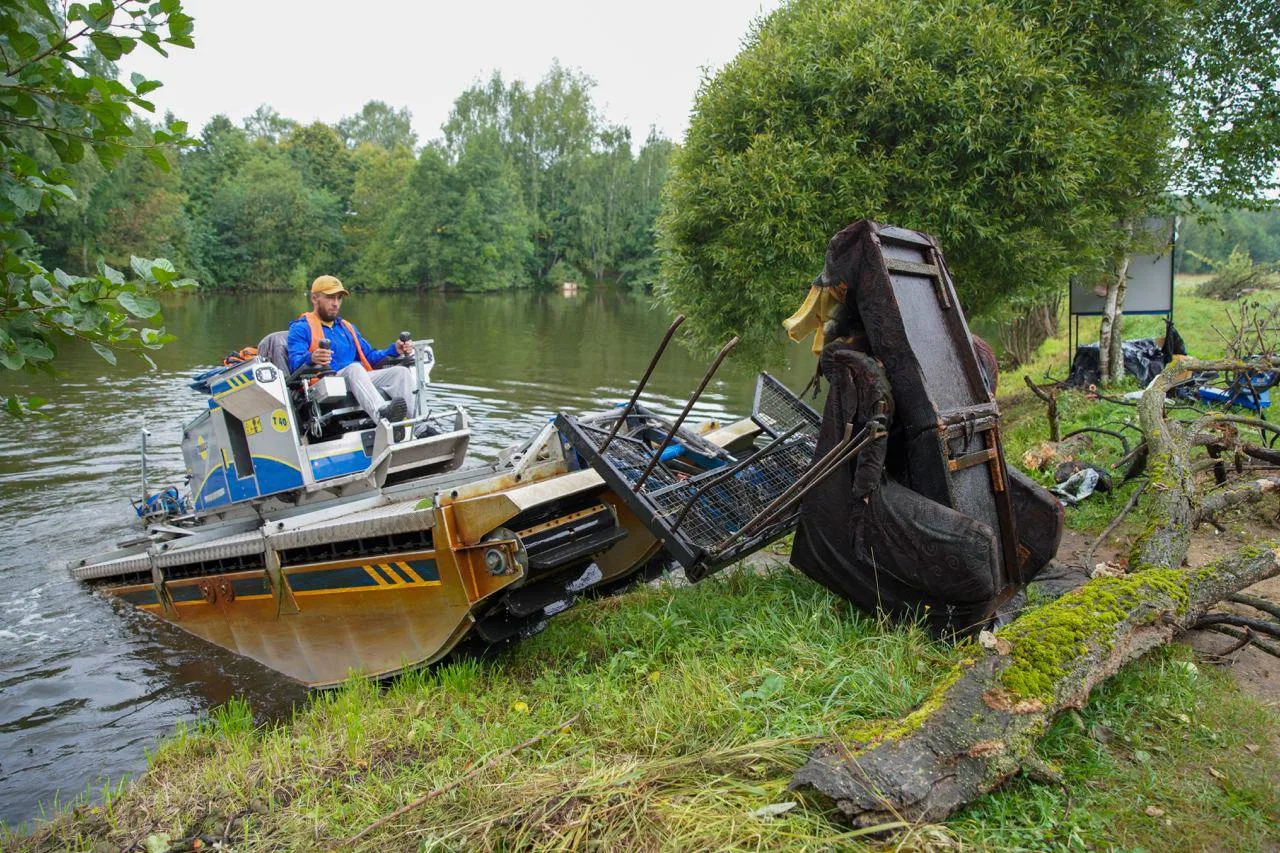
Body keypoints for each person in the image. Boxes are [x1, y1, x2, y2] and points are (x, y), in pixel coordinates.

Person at [286, 275, 415, 423]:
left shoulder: (347, 328)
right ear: (315, 298)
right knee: (354, 368)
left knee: (401, 372)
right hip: (324, 384)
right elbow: (294, 364)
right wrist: (311, 358)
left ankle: (417, 425)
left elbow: (370, 357)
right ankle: (382, 416)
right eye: (330, 297)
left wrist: (395, 349)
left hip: (357, 379)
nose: (336, 303)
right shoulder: (300, 328)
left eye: (339, 298)